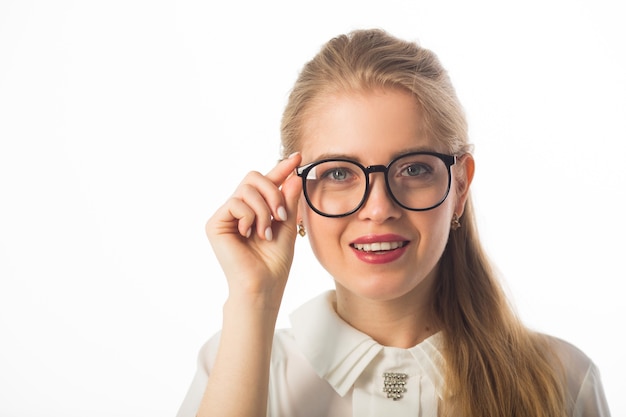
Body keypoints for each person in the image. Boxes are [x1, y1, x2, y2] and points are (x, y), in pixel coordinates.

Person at [176, 28, 611, 417]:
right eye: (339, 173)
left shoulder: (563, 382)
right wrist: (254, 297)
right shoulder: (235, 362)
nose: (379, 208)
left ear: (459, 186)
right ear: (295, 195)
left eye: (414, 169)